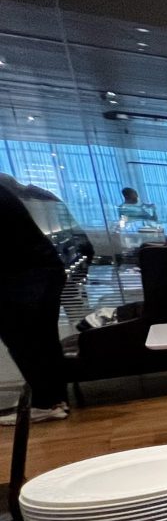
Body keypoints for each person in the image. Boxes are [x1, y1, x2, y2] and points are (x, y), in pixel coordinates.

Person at [0, 174, 70, 423]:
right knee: (41, 340)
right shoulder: (6, 191)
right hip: (37, 270)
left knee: (26, 341)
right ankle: (53, 400)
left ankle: (47, 402)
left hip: (22, 276)